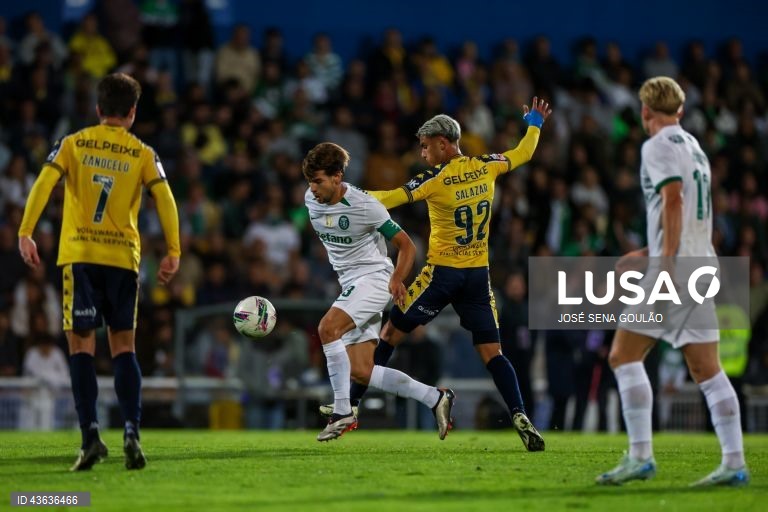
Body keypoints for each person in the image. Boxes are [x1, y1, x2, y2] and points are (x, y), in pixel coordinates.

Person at [323, 99, 551, 451]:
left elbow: (390, 198)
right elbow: (524, 152)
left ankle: (350, 405)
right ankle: (519, 412)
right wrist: (534, 122)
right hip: (478, 276)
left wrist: (344, 194)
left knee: (390, 334)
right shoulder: (487, 166)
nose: (423, 152)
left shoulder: (435, 178)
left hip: (441, 275)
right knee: (493, 353)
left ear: (444, 143)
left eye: (426, 145)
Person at [17, 72, 181, 471]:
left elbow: (42, 183)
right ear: (132, 112)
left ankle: (90, 435)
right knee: (124, 347)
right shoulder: (142, 152)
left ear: (97, 109)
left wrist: (26, 231)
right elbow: (166, 198)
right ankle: (131, 430)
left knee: (81, 348)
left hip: (81, 254)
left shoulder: (73, 144)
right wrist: (173, 250)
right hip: (123, 258)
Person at [595, 77, 749, 487]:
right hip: (700, 266)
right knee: (707, 369)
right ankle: (734, 463)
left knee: (622, 356)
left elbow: (673, 200)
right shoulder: (696, 149)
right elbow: (693, 216)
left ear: (646, 112)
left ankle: (641, 456)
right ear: (679, 110)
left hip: (674, 271)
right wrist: (649, 254)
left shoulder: (655, 146)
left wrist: (661, 266)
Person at [303, 142, 454, 442]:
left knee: (327, 328)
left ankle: (343, 411)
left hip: (375, 279)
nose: (313, 189)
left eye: (318, 181)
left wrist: (398, 278)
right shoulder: (311, 199)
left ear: (337, 177)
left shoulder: (365, 205)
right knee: (362, 371)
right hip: (351, 284)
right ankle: (435, 398)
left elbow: (406, 245)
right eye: (310, 182)